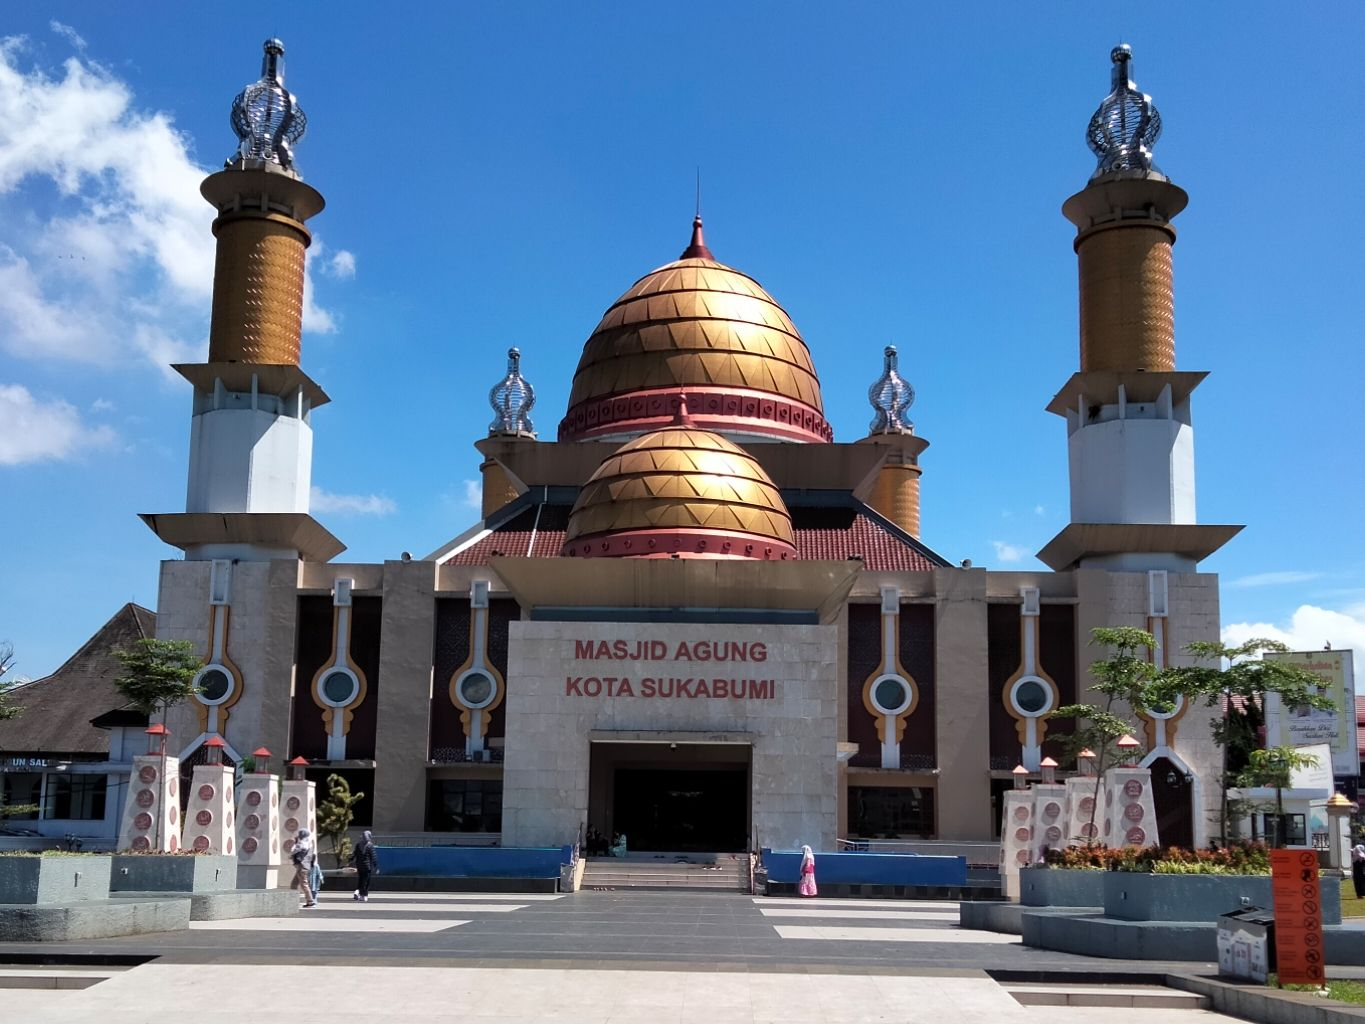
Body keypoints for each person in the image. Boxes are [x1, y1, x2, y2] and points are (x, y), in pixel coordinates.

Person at [352, 829, 380, 902]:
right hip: (367, 867)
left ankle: (358, 892)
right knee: (366, 881)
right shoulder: (370, 845)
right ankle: (364, 895)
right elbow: (374, 857)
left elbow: (354, 854)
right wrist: (376, 867)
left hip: (359, 866)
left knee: (361, 880)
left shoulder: (358, 845)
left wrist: (350, 860)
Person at [291, 828, 316, 908]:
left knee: (304, 884)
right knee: (294, 884)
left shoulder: (302, 843)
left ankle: (310, 901)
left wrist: (295, 842)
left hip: (301, 866)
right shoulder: (308, 843)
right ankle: (293, 901)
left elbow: (293, 851)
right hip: (304, 867)